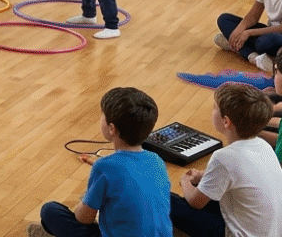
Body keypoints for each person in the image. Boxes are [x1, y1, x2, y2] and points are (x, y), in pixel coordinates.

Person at [27, 87, 171, 237]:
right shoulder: (156, 160)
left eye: (102, 116)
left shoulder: (105, 167)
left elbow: (83, 218)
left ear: (112, 129)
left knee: (50, 210)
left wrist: (84, 203)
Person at [169, 82, 282, 237]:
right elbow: (239, 176)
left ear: (226, 121)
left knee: (167, 200)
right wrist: (203, 176)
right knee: (207, 193)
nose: (212, 110)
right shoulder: (264, 146)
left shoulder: (224, 157)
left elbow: (195, 201)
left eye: (215, 108)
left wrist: (186, 181)